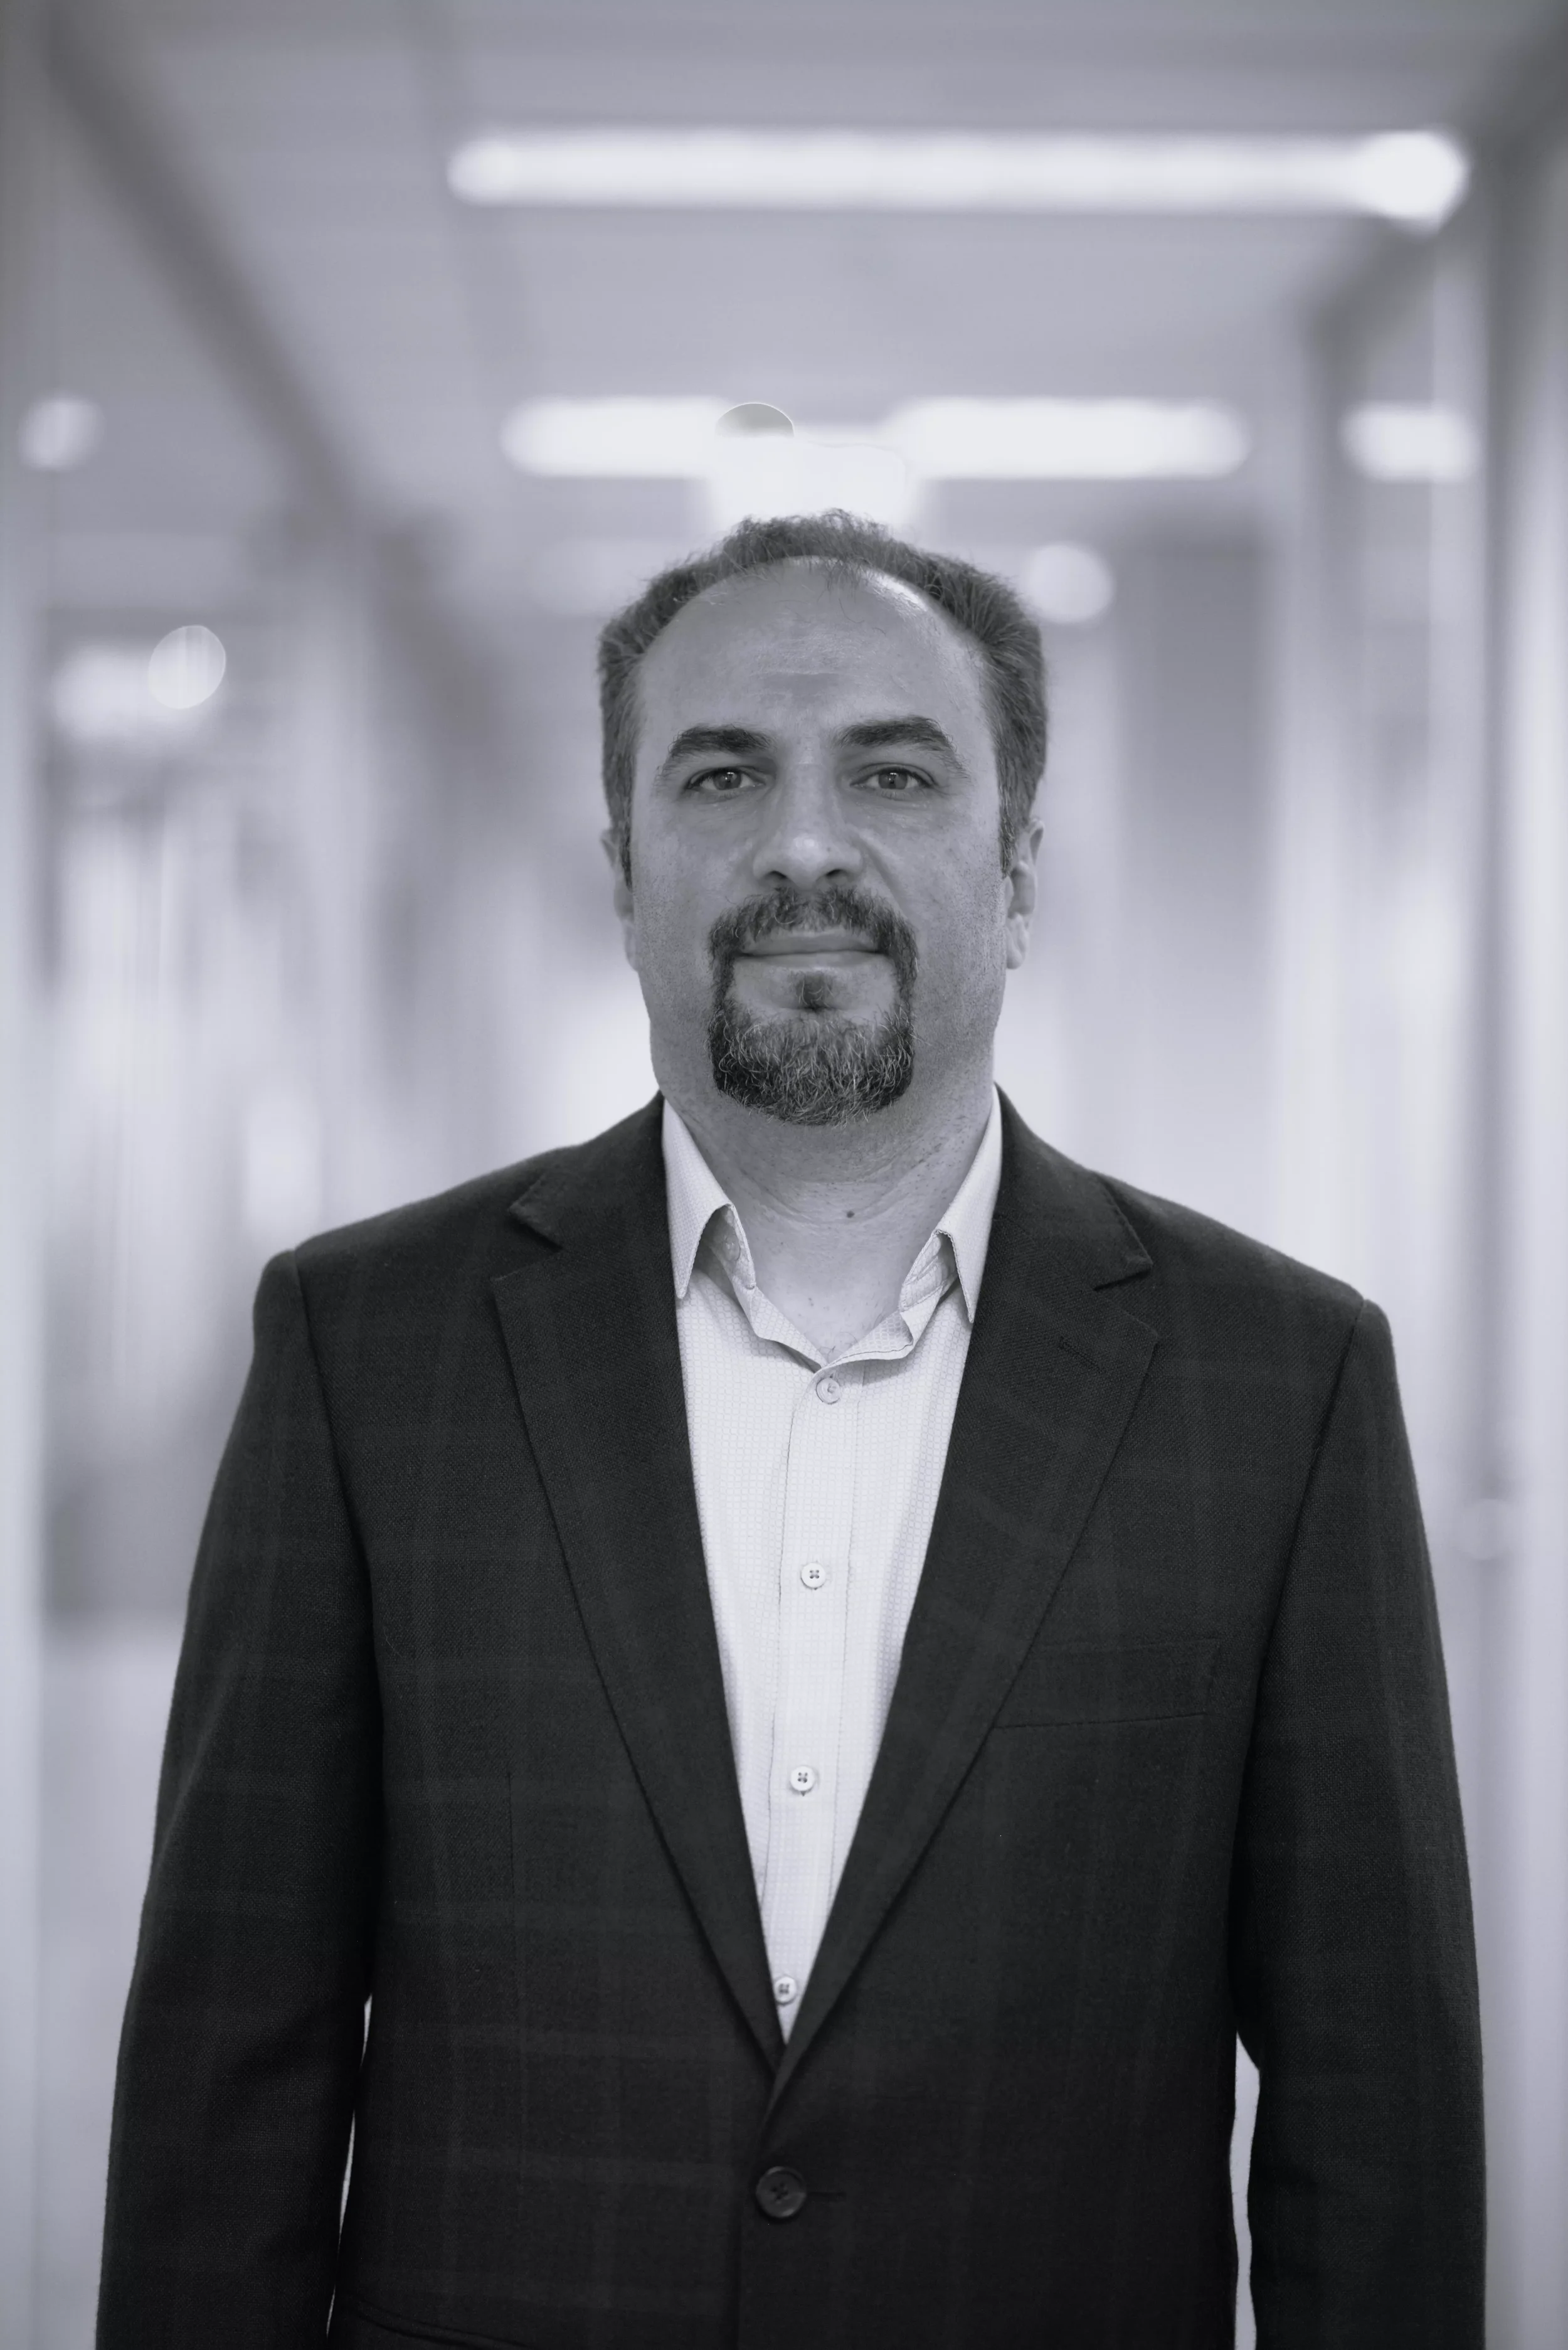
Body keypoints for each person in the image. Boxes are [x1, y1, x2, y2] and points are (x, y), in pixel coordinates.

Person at [98, 511, 1484, 2349]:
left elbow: (1372, 2101)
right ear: (625, 870)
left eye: (894, 774)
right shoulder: (368, 1348)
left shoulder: (1279, 1382)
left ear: (1017, 866)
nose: (805, 845)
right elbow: (231, 2062)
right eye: (723, 774)